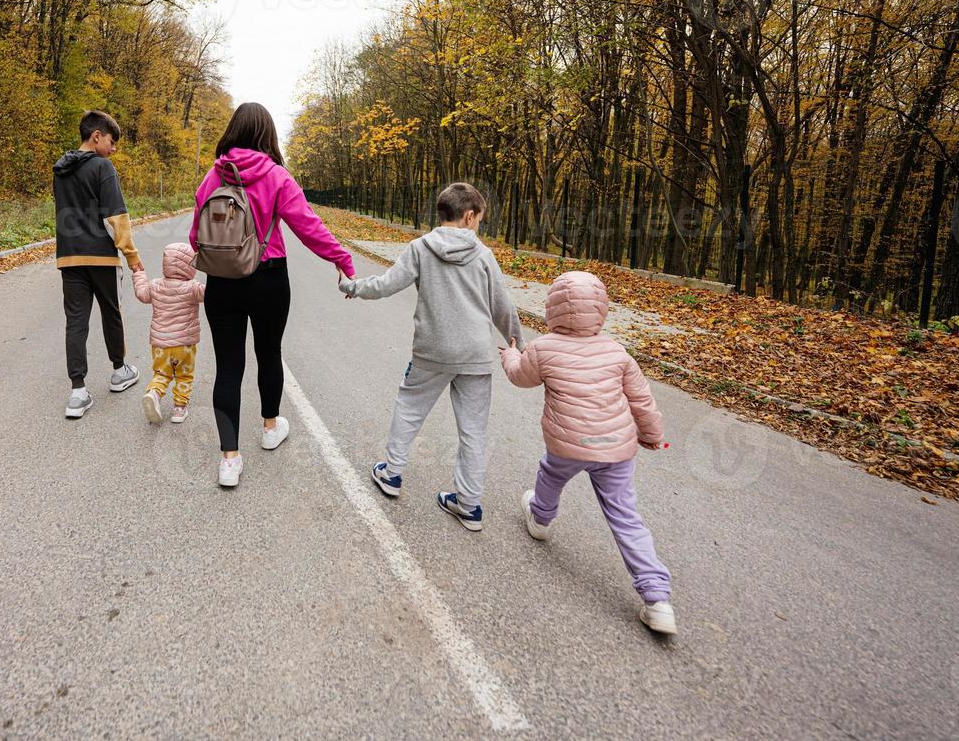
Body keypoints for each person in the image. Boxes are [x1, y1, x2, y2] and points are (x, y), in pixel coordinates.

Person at [499, 270, 677, 635]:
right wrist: (653, 434)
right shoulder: (617, 352)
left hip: (568, 445)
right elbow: (641, 399)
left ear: (552, 309)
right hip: (616, 448)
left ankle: (541, 518)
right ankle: (657, 599)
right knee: (626, 516)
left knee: (550, 474)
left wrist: (510, 355)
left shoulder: (544, 348)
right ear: (601, 309)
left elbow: (520, 377)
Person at [189, 102, 356, 488]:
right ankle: (269, 426)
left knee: (228, 367)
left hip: (222, 281)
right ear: (267, 134)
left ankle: (229, 459)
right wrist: (342, 259)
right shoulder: (277, 175)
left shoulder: (212, 178)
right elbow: (308, 226)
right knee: (269, 353)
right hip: (268, 277)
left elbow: (197, 238)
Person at [339, 182, 523, 532]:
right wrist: (521, 350)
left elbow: (387, 284)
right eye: (479, 218)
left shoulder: (420, 248)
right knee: (473, 431)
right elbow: (502, 306)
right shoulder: (484, 255)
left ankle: (391, 473)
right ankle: (468, 505)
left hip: (431, 352)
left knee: (409, 408)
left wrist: (352, 286)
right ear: (469, 216)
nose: (478, 225)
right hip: (474, 356)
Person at [53, 110, 142, 418]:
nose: (113, 149)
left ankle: (77, 393)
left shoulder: (61, 170)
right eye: (111, 141)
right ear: (96, 136)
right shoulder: (103, 167)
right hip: (101, 257)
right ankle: (119, 371)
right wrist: (132, 258)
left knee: (75, 322)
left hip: (69, 256)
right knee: (111, 312)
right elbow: (115, 217)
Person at [131, 242, 207, 425]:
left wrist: (138, 273)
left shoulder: (155, 285)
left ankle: (154, 393)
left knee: (162, 374)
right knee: (184, 375)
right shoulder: (193, 287)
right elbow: (213, 295)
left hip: (160, 346)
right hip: (185, 345)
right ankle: (179, 409)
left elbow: (142, 294)